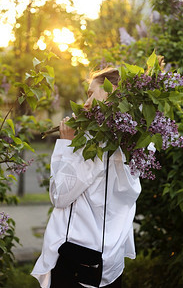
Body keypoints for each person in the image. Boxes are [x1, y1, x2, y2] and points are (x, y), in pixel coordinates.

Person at [31, 68, 141, 288]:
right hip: (109, 261)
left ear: (113, 94)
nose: (85, 103)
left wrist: (65, 143)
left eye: (91, 93)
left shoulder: (96, 145)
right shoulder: (135, 143)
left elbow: (60, 195)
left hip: (78, 261)